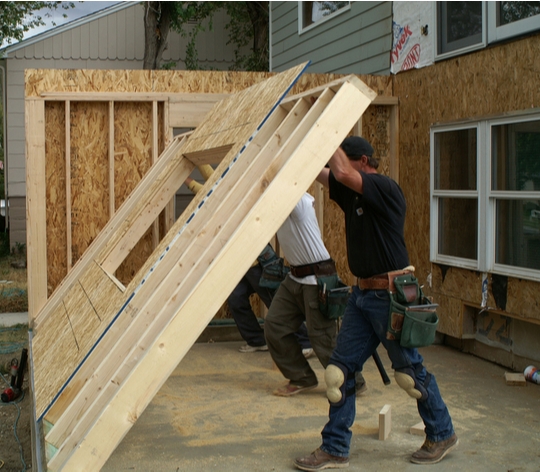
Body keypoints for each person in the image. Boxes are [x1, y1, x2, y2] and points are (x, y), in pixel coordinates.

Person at [294, 136, 457, 470]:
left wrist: (328, 131)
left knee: (409, 373)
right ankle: (335, 447)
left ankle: (442, 433)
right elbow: (326, 174)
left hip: (390, 295)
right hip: (362, 296)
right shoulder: (351, 191)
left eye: (347, 165)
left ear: (364, 162)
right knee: (339, 373)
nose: (339, 172)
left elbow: (339, 171)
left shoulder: (384, 187)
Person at [185, 172, 314, 354]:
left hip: (258, 263)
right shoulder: (223, 196)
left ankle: (305, 341)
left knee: (276, 302)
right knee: (236, 299)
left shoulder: (234, 198)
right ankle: (256, 340)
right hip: (242, 265)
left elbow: (205, 187)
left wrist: (186, 179)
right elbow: (209, 180)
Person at [264, 193, 366, 396]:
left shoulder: (298, 201)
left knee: (322, 337)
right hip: (294, 277)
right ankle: (302, 377)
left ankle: (351, 380)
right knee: (274, 326)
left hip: (316, 278)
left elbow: (283, 181)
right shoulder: (272, 203)